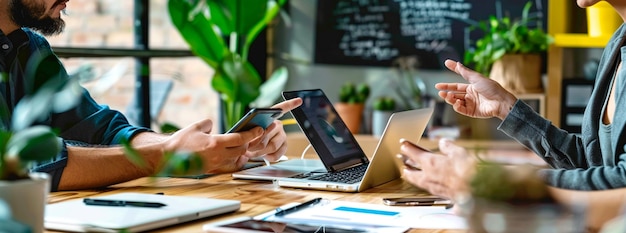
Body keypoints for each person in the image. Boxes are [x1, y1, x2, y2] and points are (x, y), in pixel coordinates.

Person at [0, 0, 303, 191]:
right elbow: (21, 164)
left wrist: (210, 149)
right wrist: (164, 156)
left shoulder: (31, 49)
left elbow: (103, 129)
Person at [400, 0, 626, 198]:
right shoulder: (617, 44)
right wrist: (507, 107)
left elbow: (621, 183)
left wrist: (488, 178)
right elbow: (591, 165)